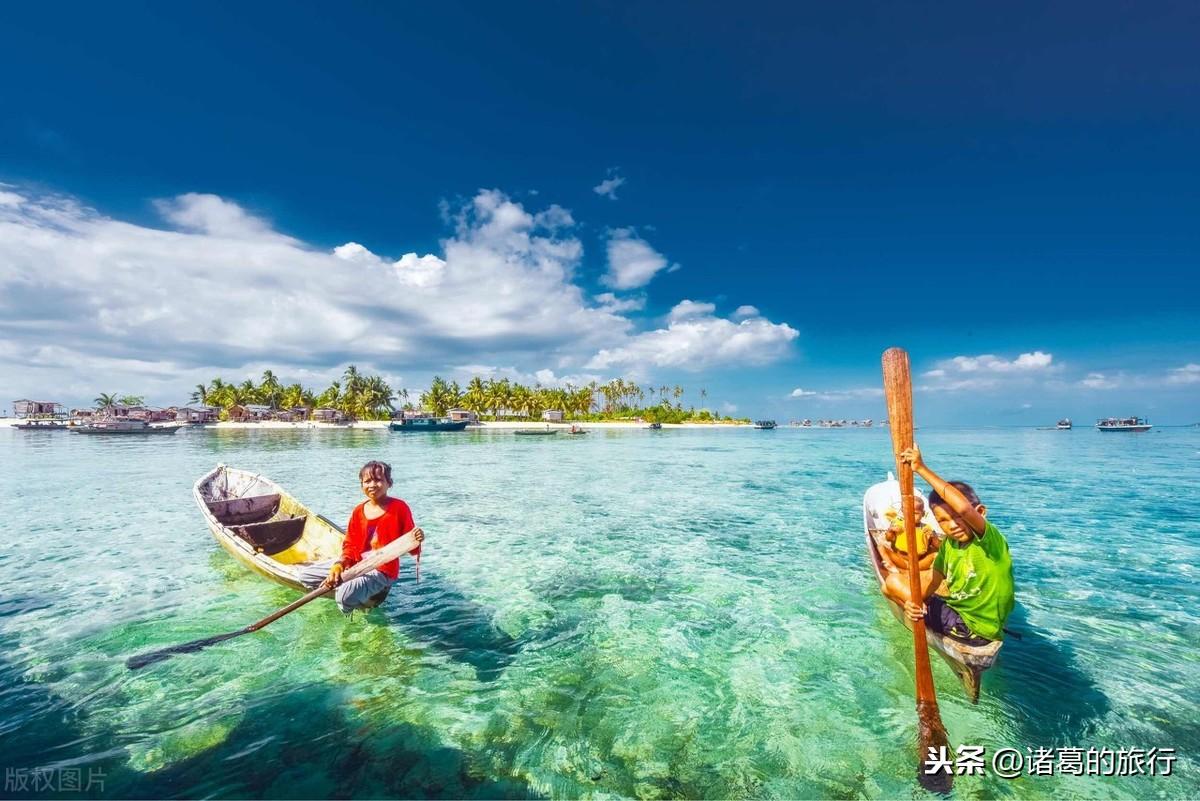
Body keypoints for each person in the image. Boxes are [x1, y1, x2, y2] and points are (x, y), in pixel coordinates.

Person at [890, 444, 1015, 644]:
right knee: (899, 588)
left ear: (980, 513)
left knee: (892, 583)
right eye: (943, 520)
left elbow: (965, 508)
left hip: (970, 629)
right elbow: (933, 581)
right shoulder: (948, 545)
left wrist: (921, 468)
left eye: (957, 517)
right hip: (970, 622)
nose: (953, 525)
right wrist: (912, 603)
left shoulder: (990, 540)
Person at [297, 460, 424, 613]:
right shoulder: (358, 511)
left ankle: (348, 596)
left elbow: (411, 548)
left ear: (389, 483)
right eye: (367, 481)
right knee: (305, 575)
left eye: (378, 480)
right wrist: (339, 565)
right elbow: (350, 544)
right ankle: (349, 590)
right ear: (361, 485)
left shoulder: (399, 508)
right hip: (355, 563)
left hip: (381, 569)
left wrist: (417, 539)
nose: (372, 485)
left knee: (343, 598)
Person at [879, 496, 942, 602]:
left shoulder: (927, 529)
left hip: (919, 564)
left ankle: (929, 576)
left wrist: (933, 537)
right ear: (903, 512)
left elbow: (938, 547)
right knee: (881, 547)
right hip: (902, 561)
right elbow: (889, 539)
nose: (911, 516)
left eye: (916, 513)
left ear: (923, 514)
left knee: (936, 555)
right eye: (908, 512)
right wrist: (891, 531)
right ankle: (892, 567)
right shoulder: (899, 525)